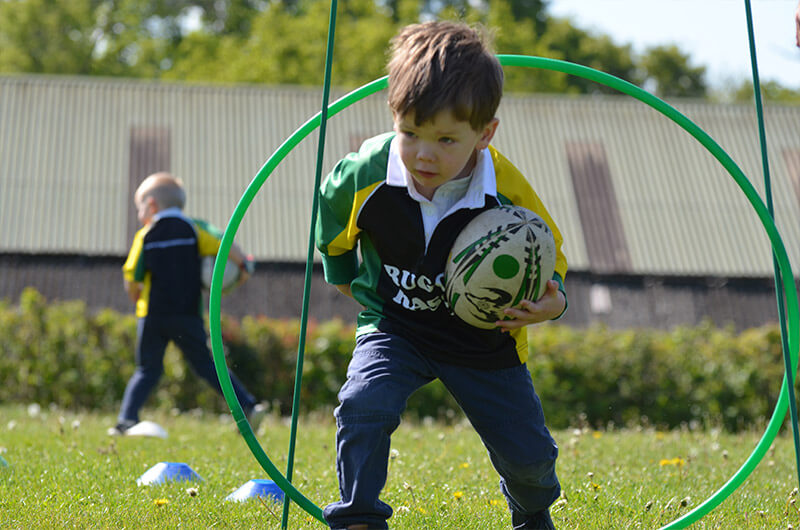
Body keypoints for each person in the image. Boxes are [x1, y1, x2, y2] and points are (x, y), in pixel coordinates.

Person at [315, 21, 568, 530]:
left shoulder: (507, 194)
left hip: (484, 341)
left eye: (446, 139)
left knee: (530, 458)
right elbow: (331, 225)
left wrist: (553, 301)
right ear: (393, 116)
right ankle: (360, 517)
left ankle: (532, 512)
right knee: (363, 405)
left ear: (485, 133)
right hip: (397, 325)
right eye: (410, 133)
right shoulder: (364, 172)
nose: (424, 154)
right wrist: (347, 279)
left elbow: (550, 257)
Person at [109, 172, 265, 435]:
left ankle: (126, 419)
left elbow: (131, 277)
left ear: (151, 205)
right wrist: (243, 266)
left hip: (153, 315)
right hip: (186, 315)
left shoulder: (145, 236)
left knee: (147, 369)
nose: (139, 213)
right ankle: (247, 406)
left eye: (139, 208)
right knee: (207, 365)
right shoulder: (195, 228)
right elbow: (225, 243)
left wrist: (137, 299)